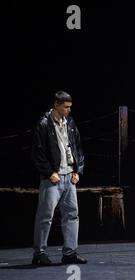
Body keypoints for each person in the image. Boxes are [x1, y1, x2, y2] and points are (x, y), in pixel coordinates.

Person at [31, 91, 87, 266]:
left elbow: (77, 147)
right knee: (45, 216)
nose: (69, 110)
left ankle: (70, 252)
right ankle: (39, 253)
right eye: (66, 107)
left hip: (69, 177)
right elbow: (37, 153)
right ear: (56, 104)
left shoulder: (69, 123)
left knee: (72, 215)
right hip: (53, 179)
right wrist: (49, 173)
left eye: (70, 107)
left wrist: (78, 170)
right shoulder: (44, 124)